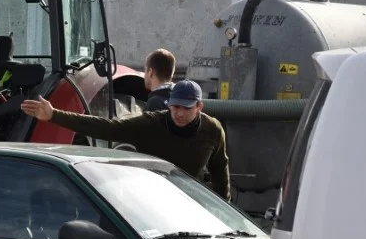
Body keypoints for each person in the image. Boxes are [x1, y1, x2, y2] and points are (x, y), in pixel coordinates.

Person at [20, 80, 231, 200]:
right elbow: (106, 128)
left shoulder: (212, 130)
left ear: (199, 107)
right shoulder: (151, 124)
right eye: (175, 107)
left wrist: (226, 210)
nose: (179, 113)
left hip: (189, 199)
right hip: (150, 198)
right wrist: (54, 115)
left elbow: (220, 170)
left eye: (186, 108)